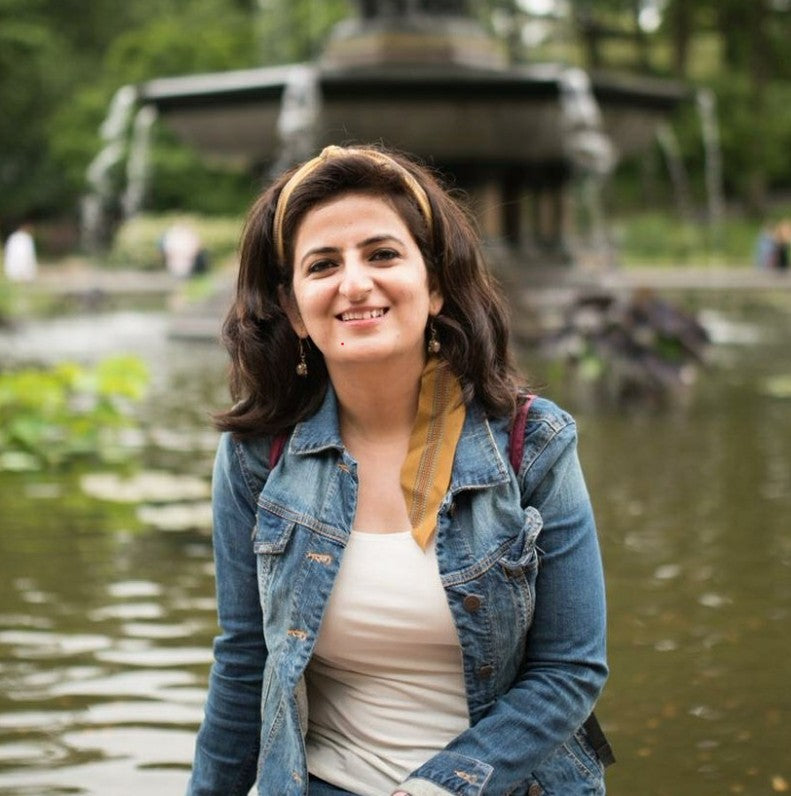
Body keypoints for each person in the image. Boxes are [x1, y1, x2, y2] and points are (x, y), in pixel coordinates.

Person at [188, 144, 609, 796]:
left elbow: (568, 670)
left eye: (381, 255)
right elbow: (245, 662)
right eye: (323, 265)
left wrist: (435, 788)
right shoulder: (257, 457)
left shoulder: (532, 444)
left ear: (435, 283)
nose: (354, 283)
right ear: (295, 309)